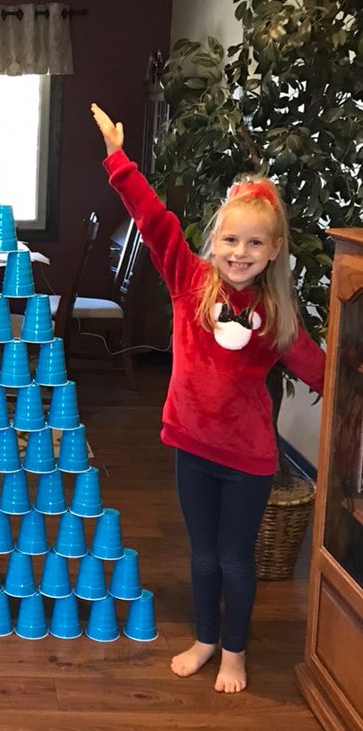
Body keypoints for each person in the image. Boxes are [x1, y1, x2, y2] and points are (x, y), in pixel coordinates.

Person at [90, 104, 325, 693]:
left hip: (247, 462)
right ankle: (205, 639)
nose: (239, 252)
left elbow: (322, 371)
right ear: (213, 240)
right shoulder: (189, 282)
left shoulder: (277, 316)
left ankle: (237, 652)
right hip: (191, 447)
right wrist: (119, 161)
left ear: (273, 252)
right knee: (201, 556)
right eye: (230, 238)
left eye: (254, 243)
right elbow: (153, 219)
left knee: (235, 558)